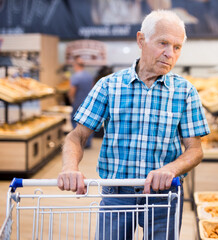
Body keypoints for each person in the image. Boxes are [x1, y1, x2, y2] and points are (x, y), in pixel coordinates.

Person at [58, 10, 210, 239]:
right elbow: (76, 137)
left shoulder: (185, 92)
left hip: (164, 197)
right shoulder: (108, 86)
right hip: (117, 194)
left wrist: (171, 169)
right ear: (141, 40)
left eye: (177, 47)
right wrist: (70, 167)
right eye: (163, 43)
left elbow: (195, 150)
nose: (170, 54)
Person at [68, 55, 94, 148]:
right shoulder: (89, 76)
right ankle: (87, 142)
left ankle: (78, 142)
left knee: (76, 122)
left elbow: (72, 92)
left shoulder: (75, 77)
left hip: (78, 103)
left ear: (75, 65)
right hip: (88, 103)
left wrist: (70, 99)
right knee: (87, 123)